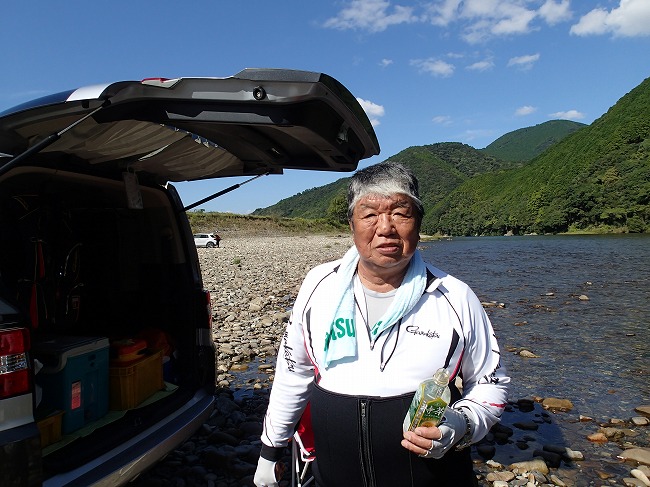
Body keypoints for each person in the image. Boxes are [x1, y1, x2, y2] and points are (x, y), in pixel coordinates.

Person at [254, 162, 509, 487]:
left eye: (401, 213)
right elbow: (294, 373)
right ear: (351, 224)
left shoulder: (454, 296)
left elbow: (490, 382)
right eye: (370, 214)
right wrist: (271, 449)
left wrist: (461, 425)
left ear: (418, 223)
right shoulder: (319, 286)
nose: (386, 227)